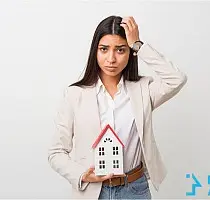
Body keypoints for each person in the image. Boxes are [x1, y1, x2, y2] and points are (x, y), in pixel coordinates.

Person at [48, 15, 187, 199]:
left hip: (134, 190)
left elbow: (177, 79)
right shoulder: (75, 95)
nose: (111, 59)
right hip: (92, 191)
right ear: (95, 52)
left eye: (120, 50)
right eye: (104, 49)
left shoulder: (143, 90)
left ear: (130, 53)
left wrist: (138, 45)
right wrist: (82, 175)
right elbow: (56, 152)